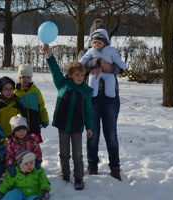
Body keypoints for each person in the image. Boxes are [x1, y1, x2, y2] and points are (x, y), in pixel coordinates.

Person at [42, 44, 93, 190]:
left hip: (77, 127)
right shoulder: (62, 84)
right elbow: (54, 70)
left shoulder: (85, 91)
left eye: (82, 75)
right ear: (70, 75)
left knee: (77, 154)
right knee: (64, 152)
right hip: (63, 125)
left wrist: (90, 127)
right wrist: (48, 52)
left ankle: (78, 178)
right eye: (77, 75)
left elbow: (88, 111)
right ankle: (65, 174)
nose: (80, 77)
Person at [78, 19, 123, 181]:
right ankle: (92, 167)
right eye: (94, 37)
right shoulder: (85, 52)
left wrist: (102, 67)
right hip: (91, 99)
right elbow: (80, 68)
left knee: (111, 134)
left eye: (100, 36)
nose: (97, 41)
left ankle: (115, 167)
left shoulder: (111, 50)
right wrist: (97, 62)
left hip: (111, 99)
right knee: (92, 133)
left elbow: (119, 68)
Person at [79, 28, 127, 98]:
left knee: (111, 79)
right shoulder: (91, 51)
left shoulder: (111, 50)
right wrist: (79, 65)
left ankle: (110, 93)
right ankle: (92, 93)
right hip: (95, 72)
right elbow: (84, 59)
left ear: (104, 43)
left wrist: (123, 65)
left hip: (108, 72)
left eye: (99, 43)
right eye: (94, 42)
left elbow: (117, 59)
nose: (96, 44)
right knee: (92, 77)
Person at [14, 64, 49, 143]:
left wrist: (44, 118)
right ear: (19, 78)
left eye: (28, 77)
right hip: (21, 124)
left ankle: (35, 154)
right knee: (21, 143)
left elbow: (41, 105)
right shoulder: (16, 92)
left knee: (34, 143)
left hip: (34, 123)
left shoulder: (35, 91)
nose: (26, 79)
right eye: (23, 77)